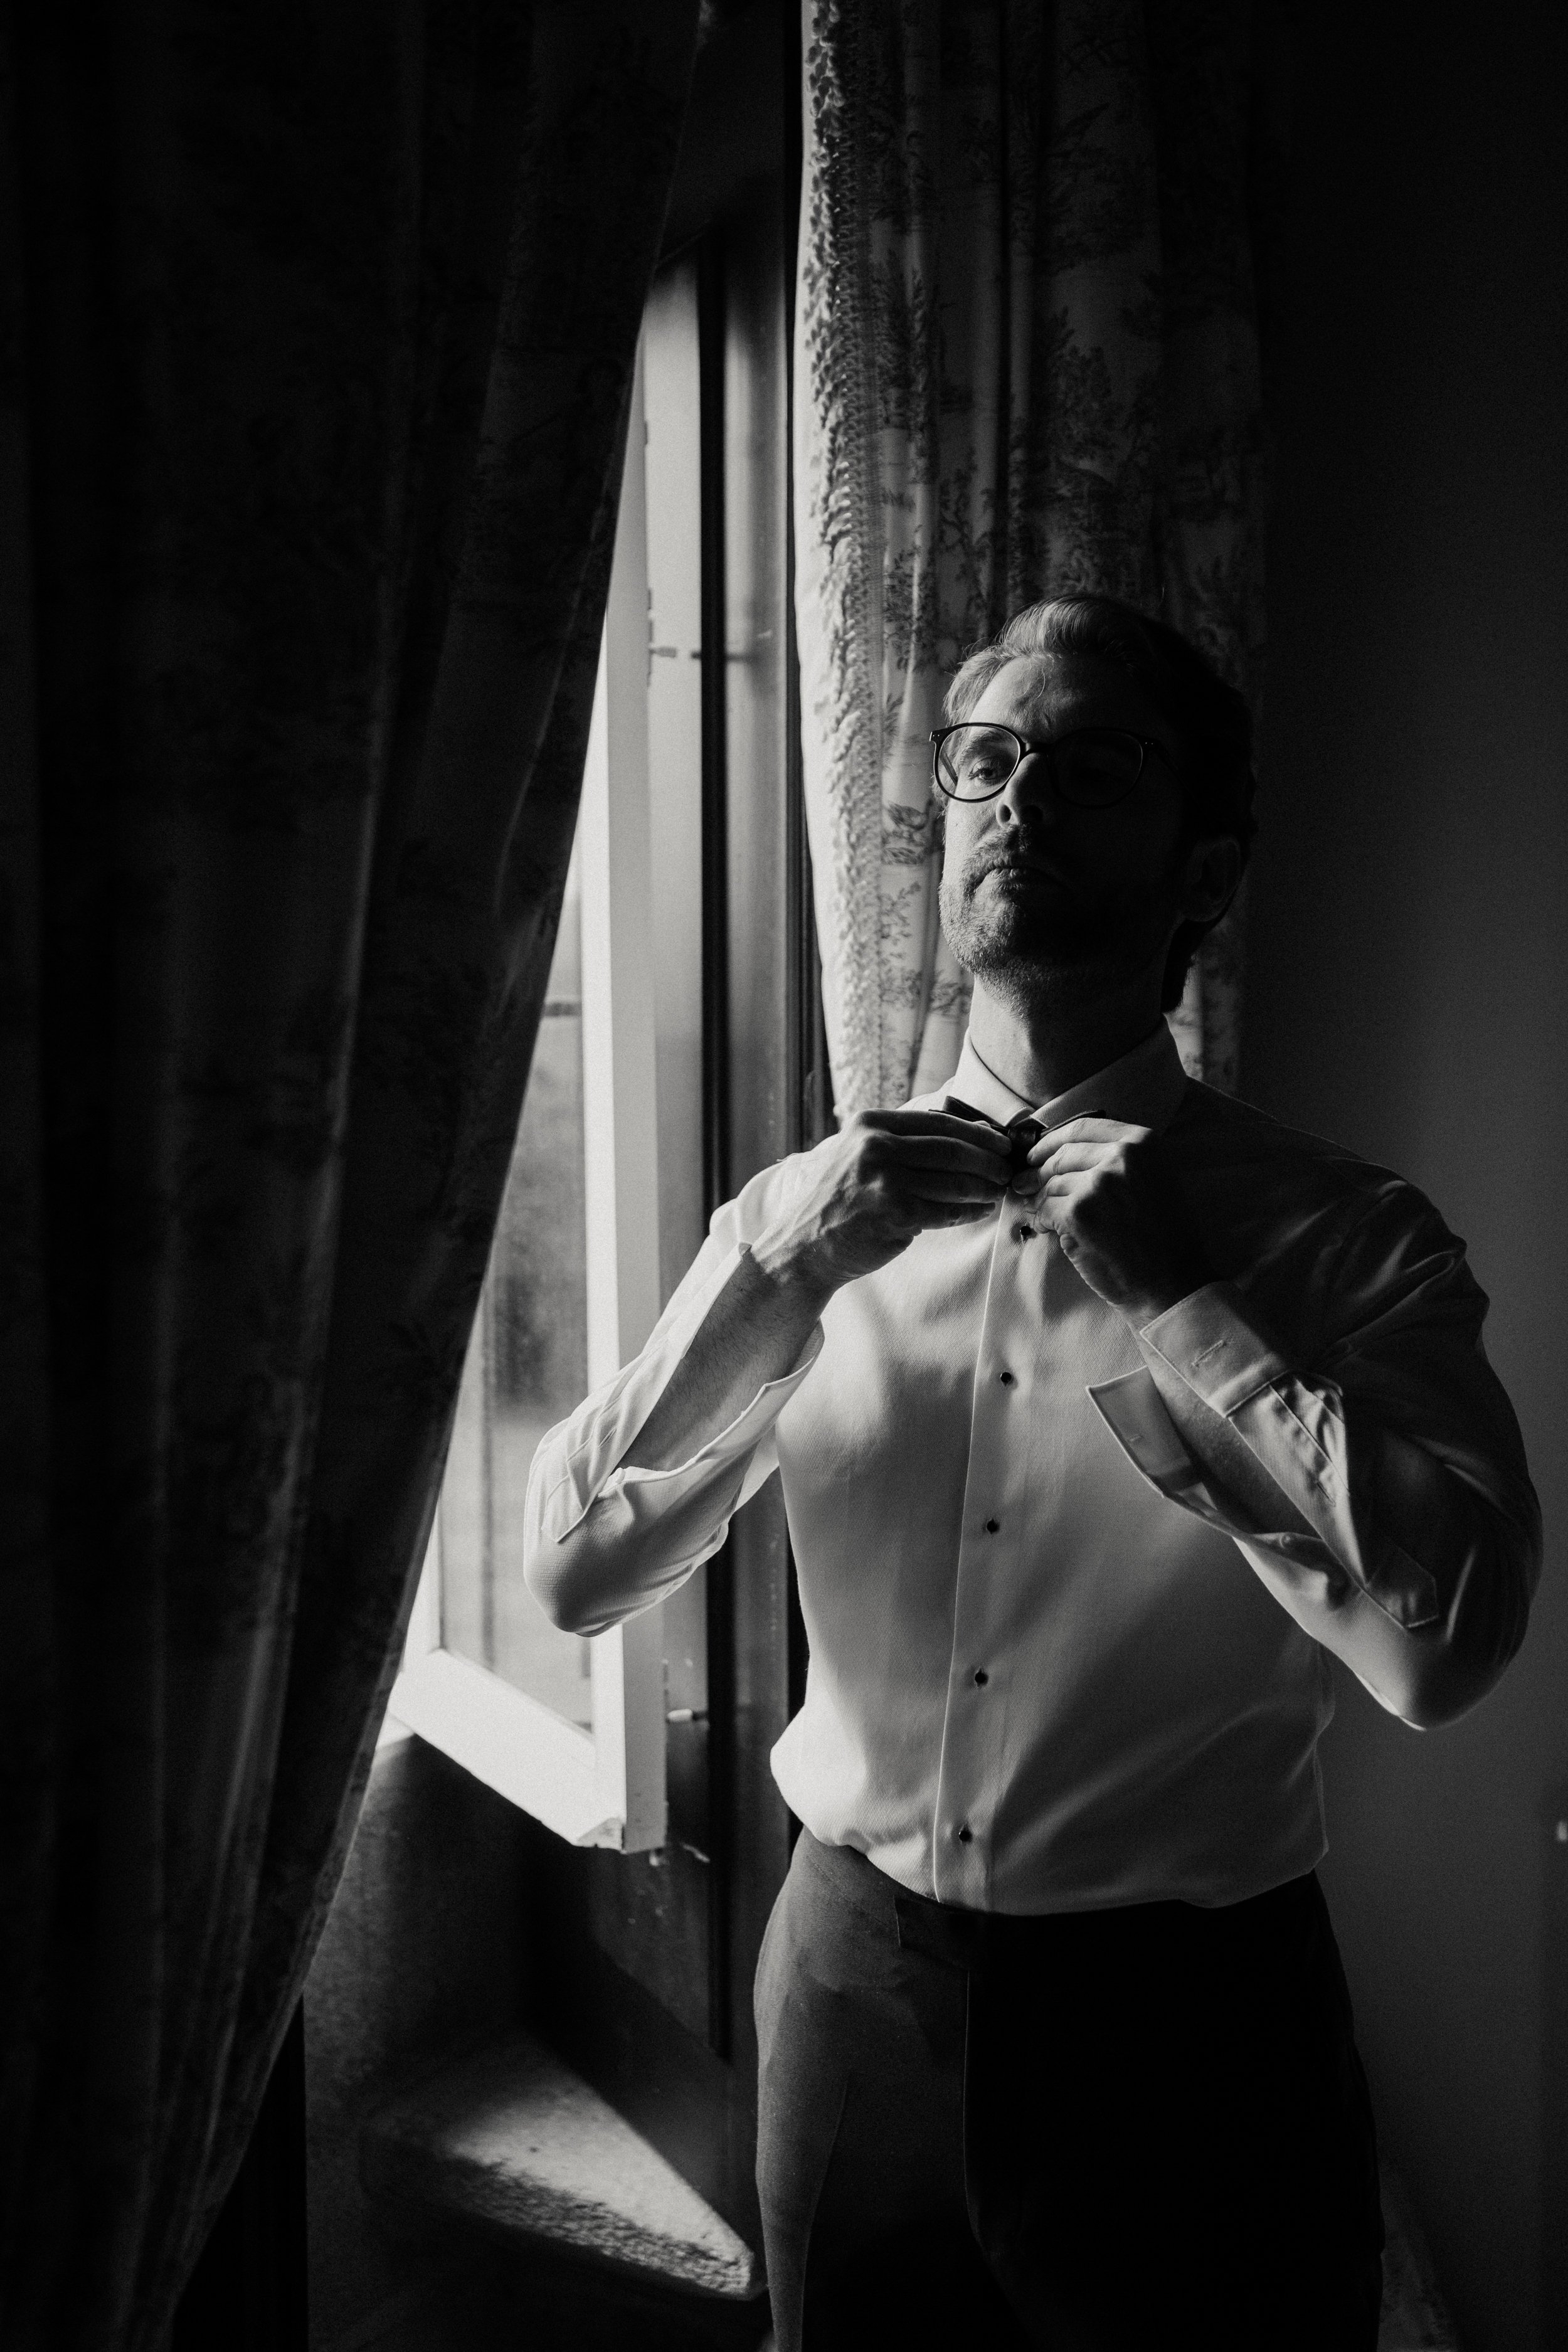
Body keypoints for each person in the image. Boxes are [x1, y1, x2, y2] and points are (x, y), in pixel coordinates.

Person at [522, 593, 1540, 2349]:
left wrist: (1181, 1302)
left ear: (1202, 870)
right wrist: (777, 1278)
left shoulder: (1345, 1238)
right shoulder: (804, 1215)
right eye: (982, 763)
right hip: (846, 1979)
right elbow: (571, 1570)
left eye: (1091, 767)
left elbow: (1440, 1653)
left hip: (1190, 2018)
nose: (1016, 804)